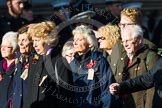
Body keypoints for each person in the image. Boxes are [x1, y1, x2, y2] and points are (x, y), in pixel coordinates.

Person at [24, 21, 73, 108]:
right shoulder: (34, 60)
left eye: (37, 40)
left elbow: (64, 95)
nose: (34, 45)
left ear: (48, 40)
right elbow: (29, 91)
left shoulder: (59, 62)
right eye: (33, 40)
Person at [112, 24, 159, 108]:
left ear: (139, 40)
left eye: (128, 40)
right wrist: (119, 87)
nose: (125, 44)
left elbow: (151, 88)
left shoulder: (152, 58)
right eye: (123, 41)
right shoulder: (124, 58)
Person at [70, 25, 117, 108]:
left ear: (90, 43)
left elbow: (107, 91)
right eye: (74, 40)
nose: (74, 43)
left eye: (79, 40)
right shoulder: (73, 63)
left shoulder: (100, 61)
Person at [10, 25, 34, 108]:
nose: (20, 43)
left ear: (32, 41)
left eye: (24, 40)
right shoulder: (18, 58)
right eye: (19, 40)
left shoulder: (37, 60)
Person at [0, 31, 18, 108]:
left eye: (6, 46)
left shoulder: (20, 66)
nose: (2, 49)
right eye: (1, 46)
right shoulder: (0, 65)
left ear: (15, 49)